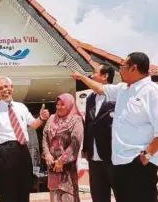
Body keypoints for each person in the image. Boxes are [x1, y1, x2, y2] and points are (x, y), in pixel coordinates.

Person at [71, 52, 158, 202]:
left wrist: (146, 157)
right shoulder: (123, 89)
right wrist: (82, 77)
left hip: (139, 164)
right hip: (119, 163)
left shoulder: (151, 92)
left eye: (122, 66)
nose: (119, 70)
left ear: (133, 68)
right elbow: (101, 89)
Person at [0, 76, 50, 202]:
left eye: (6, 86)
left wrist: (42, 118)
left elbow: (33, 125)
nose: (4, 89)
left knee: (25, 186)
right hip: (5, 151)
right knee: (8, 189)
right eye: (0, 88)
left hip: (23, 149)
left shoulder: (21, 107)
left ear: (12, 88)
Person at [82, 64, 117, 202]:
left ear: (105, 76)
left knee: (121, 194)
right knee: (98, 196)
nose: (92, 75)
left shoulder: (117, 96)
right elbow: (88, 124)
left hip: (113, 156)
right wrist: (86, 148)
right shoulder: (90, 98)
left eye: (94, 72)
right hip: (94, 157)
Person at [42, 93, 84, 202]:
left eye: (62, 104)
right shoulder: (51, 118)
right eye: (57, 104)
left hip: (67, 167)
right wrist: (46, 154)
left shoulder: (76, 120)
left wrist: (62, 160)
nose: (58, 107)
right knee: (55, 195)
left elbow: (76, 142)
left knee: (68, 196)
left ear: (70, 105)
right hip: (52, 166)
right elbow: (45, 136)